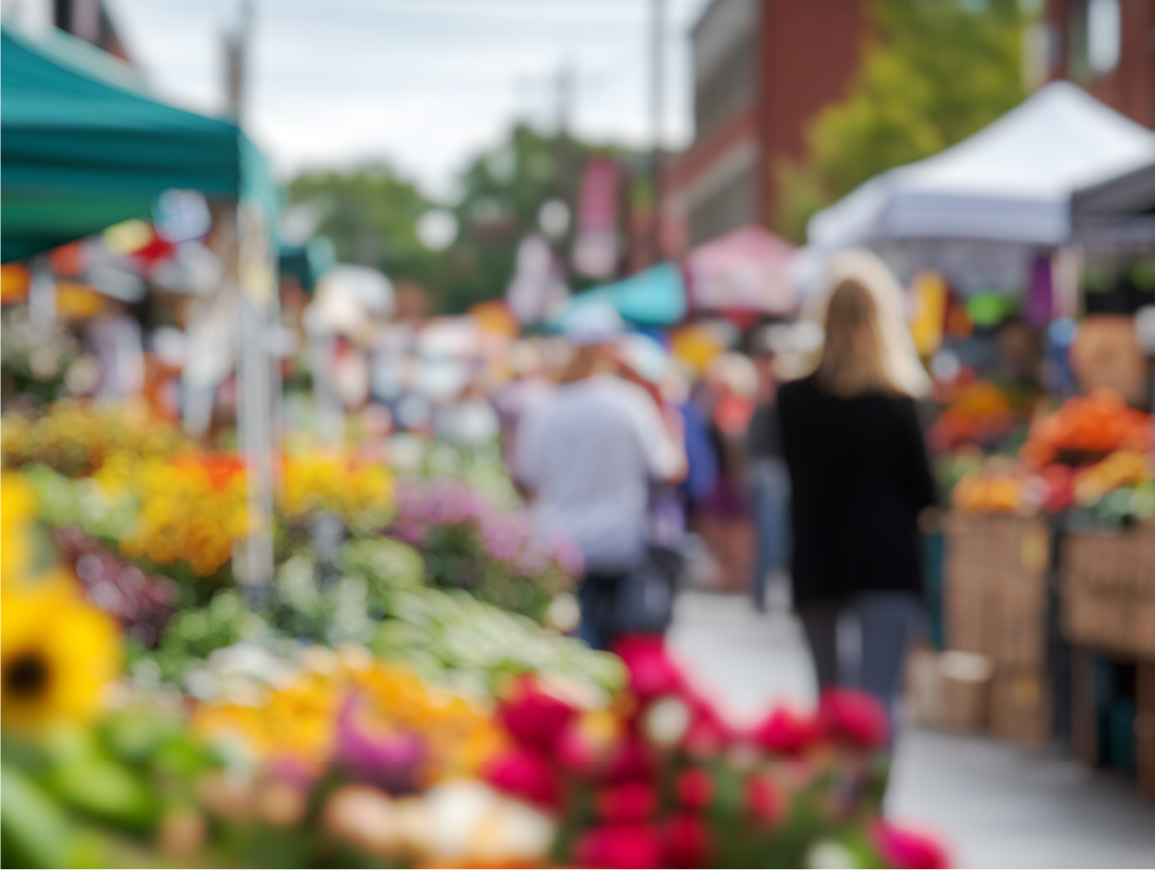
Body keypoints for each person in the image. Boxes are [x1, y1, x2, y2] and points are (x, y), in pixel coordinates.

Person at [778, 270, 937, 729]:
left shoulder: (793, 399)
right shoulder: (898, 399)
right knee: (878, 698)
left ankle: (832, 799)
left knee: (829, 698)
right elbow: (924, 490)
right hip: (887, 559)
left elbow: (792, 471)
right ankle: (872, 799)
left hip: (817, 555)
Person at [514, 304, 686, 650]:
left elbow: (526, 477)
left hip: (558, 542)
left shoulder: (542, 406)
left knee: (569, 647)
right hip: (619, 543)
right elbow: (668, 469)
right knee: (615, 649)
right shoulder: (630, 403)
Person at [746, 338, 790, 612]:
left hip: (776, 471)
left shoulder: (780, 390)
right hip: (764, 470)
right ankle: (761, 591)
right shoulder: (760, 391)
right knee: (767, 535)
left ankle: (769, 590)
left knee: (775, 537)